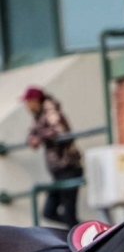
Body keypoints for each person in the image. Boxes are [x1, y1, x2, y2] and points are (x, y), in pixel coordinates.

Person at [23, 86, 82, 227]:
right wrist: (33, 139)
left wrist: (40, 138)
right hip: (58, 171)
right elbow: (31, 134)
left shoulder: (51, 112)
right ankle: (84, 230)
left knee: (69, 214)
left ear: (35, 101)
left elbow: (61, 133)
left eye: (28, 102)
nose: (27, 106)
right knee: (48, 212)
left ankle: (88, 235)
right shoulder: (38, 116)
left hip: (69, 167)